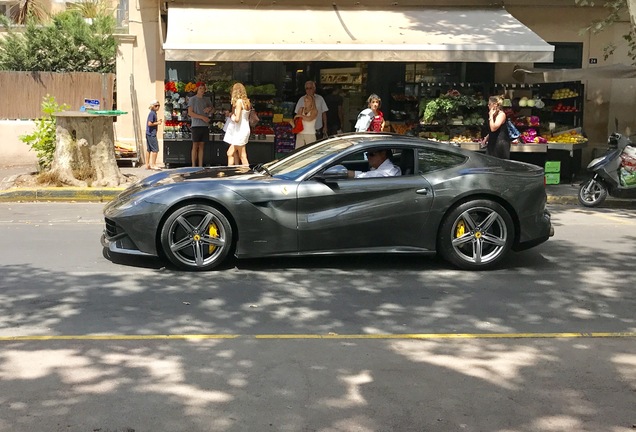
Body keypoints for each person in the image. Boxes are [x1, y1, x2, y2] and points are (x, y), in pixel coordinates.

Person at [223, 82, 251, 166]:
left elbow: (237, 119)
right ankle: (237, 172)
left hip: (240, 131)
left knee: (240, 155)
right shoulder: (247, 102)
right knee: (234, 153)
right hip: (245, 129)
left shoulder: (239, 102)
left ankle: (245, 173)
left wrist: (231, 115)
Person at [187, 83, 214, 167]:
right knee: (195, 145)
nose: (202, 90)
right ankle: (193, 165)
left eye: (203, 88)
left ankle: (200, 165)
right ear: (197, 89)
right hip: (196, 125)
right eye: (200, 88)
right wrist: (202, 117)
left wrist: (210, 109)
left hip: (204, 125)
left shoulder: (207, 99)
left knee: (202, 146)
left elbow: (213, 109)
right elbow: (190, 113)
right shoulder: (192, 99)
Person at [145, 99, 162, 170]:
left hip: (149, 133)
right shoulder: (152, 113)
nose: (157, 107)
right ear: (152, 106)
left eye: (158, 105)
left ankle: (147, 164)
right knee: (155, 149)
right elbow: (149, 123)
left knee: (149, 149)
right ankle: (153, 164)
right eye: (156, 106)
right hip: (151, 134)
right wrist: (157, 123)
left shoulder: (153, 113)